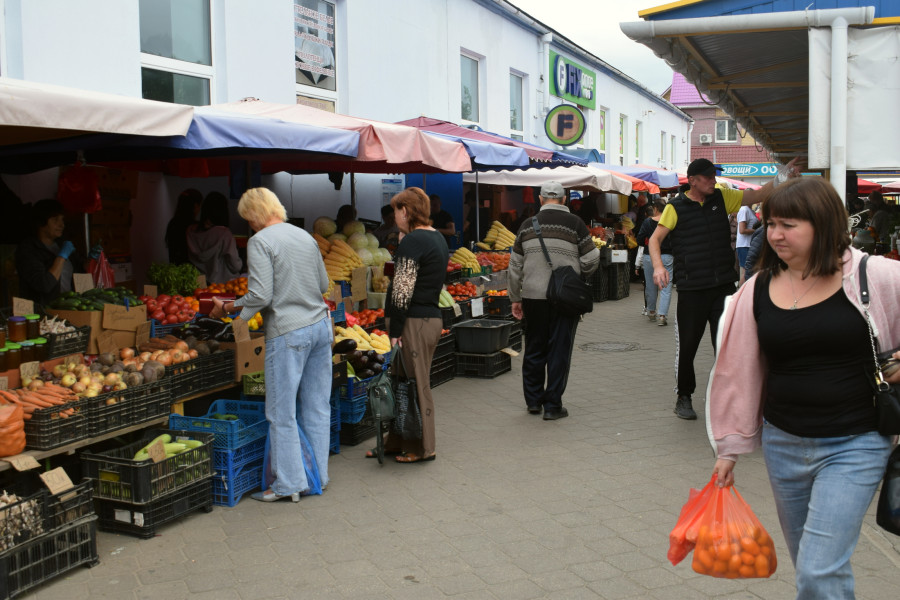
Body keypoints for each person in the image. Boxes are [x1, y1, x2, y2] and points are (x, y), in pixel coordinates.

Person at [708, 176, 900, 598]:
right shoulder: (757, 288)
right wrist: (729, 448)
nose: (775, 234)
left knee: (817, 571)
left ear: (824, 224)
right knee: (811, 568)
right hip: (783, 444)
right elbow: (737, 371)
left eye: (788, 225)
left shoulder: (874, 275)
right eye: (771, 224)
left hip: (857, 443)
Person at [649, 156, 800, 420]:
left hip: (722, 287)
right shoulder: (675, 207)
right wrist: (658, 266)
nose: (713, 181)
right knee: (687, 348)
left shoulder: (722, 197)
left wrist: (783, 176)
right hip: (692, 290)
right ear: (693, 181)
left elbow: (758, 195)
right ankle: (684, 396)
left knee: (728, 346)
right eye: (708, 177)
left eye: (714, 176)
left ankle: (730, 399)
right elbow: (654, 240)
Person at [210, 187, 332, 502]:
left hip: (289, 332)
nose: (249, 225)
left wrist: (231, 310)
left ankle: (289, 484)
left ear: (254, 214)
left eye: (247, 218)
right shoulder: (305, 236)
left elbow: (261, 295)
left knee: (281, 412)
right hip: (320, 327)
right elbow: (323, 284)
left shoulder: (260, 241)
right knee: (318, 406)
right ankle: (318, 476)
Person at [368, 187, 449, 463]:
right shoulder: (435, 237)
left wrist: (394, 331)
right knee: (401, 383)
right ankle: (397, 441)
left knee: (417, 384)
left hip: (414, 322)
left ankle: (423, 447)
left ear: (405, 211)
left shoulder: (414, 241)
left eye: (395, 211)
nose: (394, 217)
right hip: (426, 318)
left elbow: (402, 290)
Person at [509, 181, 600, 420]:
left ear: (540, 199)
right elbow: (592, 258)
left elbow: (514, 266)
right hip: (564, 298)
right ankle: (552, 406)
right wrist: (577, 274)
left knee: (534, 348)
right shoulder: (575, 224)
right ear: (564, 199)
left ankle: (533, 401)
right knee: (559, 350)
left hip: (533, 296)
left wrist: (515, 298)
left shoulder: (527, 225)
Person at [16, 199, 98, 307]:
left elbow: (80, 271)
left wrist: (91, 259)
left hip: (68, 307)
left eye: (62, 220)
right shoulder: (28, 249)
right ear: (41, 222)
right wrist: (61, 257)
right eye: (55, 220)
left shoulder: (62, 244)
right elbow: (44, 285)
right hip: (42, 311)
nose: (62, 225)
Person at [186, 192, 242, 283]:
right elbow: (235, 266)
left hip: (199, 283)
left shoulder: (190, 230)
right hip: (223, 285)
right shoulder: (224, 234)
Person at [636, 200, 673, 326]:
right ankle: (662, 316)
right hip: (667, 256)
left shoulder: (647, 222)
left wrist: (648, 242)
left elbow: (640, 239)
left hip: (649, 256)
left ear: (655, 209)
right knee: (666, 286)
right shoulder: (669, 221)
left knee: (650, 285)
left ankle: (651, 312)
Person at [165, 188, 201, 265]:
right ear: (195, 206)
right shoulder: (194, 227)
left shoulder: (173, 223)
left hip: (175, 268)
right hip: (192, 269)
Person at [735, 203, 758, 278]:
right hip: (744, 245)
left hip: (749, 245)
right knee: (745, 272)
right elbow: (742, 230)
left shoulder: (750, 210)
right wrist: (757, 231)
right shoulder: (744, 209)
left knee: (749, 272)